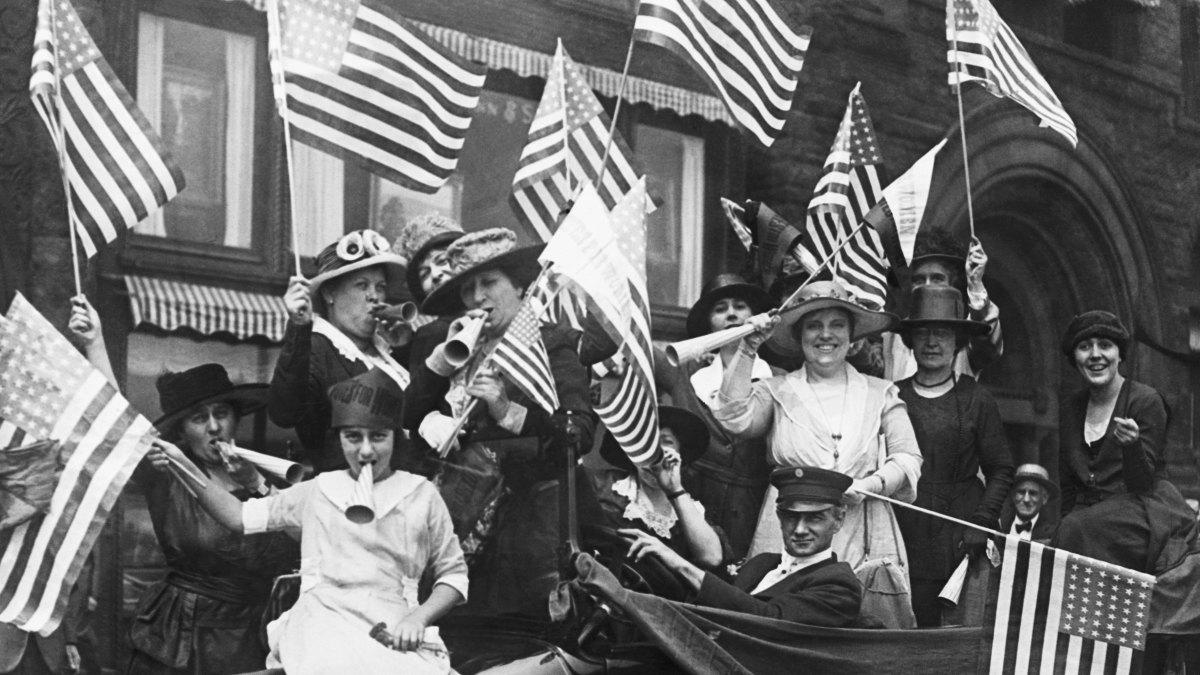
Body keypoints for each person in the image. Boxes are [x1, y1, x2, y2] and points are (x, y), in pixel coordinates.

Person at [147, 368, 468, 674]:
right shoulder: (319, 490)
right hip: (323, 631)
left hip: (395, 628)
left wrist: (419, 619)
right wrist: (181, 464)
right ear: (340, 438)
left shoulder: (421, 494)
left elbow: (453, 575)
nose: (366, 450)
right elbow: (238, 516)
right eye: (353, 437)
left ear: (395, 437)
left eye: (379, 437)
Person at [66, 299, 299, 674]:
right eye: (199, 418)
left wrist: (257, 485)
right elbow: (119, 425)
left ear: (235, 419)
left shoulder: (261, 478)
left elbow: (297, 540)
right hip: (181, 638)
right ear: (182, 433)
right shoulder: (167, 472)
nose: (213, 427)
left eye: (221, 414)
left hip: (253, 635)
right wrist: (94, 342)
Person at [404, 227, 598, 618]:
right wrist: (435, 390)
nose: (477, 298)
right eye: (467, 289)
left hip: (527, 532)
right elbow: (406, 415)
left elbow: (579, 432)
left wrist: (508, 411)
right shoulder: (457, 344)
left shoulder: (553, 342)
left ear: (520, 286)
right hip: (456, 520)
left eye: (489, 282)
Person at [712, 279, 921, 628]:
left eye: (837, 324)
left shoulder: (881, 392)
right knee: (782, 627)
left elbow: (908, 458)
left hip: (862, 524)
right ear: (798, 335)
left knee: (863, 632)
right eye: (814, 326)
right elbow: (734, 417)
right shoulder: (776, 391)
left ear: (852, 335)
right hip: (792, 524)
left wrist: (870, 485)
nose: (826, 335)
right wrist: (748, 349)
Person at [892, 285, 1014, 627]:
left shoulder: (976, 399)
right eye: (923, 333)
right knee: (904, 624)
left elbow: (1002, 469)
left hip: (960, 535)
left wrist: (981, 522)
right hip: (903, 530)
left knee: (952, 631)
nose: (932, 342)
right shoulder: (893, 396)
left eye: (943, 333)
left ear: (958, 340)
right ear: (911, 340)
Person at [621, 466, 862, 626]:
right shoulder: (763, 563)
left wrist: (677, 561)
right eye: (790, 516)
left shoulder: (838, 584)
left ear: (838, 520)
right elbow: (712, 599)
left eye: (814, 518)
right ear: (779, 517)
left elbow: (768, 620)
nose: (799, 529)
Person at [1054, 311, 1196, 573]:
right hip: (1092, 516)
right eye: (1084, 347)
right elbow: (1068, 485)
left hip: (1143, 512)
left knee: (1077, 528)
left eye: (1105, 346)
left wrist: (1132, 447)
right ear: (1075, 359)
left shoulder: (1145, 400)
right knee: (1063, 536)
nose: (1095, 355)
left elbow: (1142, 483)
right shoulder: (1071, 408)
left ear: (1120, 355)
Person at [653, 273, 780, 560]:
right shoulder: (684, 374)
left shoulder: (778, 382)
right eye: (720, 309)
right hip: (694, 505)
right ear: (709, 322)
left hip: (753, 509)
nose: (732, 314)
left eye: (740, 306)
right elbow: (641, 349)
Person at [269, 229, 411, 472]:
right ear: (329, 293)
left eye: (381, 286)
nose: (374, 296)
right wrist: (298, 327)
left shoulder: (387, 350)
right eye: (361, 285)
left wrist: (406, 348)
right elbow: (284, 412)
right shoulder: (317, 348)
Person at [591, 406, 727, 569]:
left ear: (679, 453)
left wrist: (674, 488)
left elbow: (712, 557)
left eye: (666, 443)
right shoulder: (603, 487)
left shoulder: (691, 510)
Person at [883, 230, 1003, 381]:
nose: (927, 287)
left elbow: (989, 345)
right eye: (919, 280)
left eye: (937, 278)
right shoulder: (893, 336)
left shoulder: (963, 332)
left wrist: (975, 283)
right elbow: (868, 362)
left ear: (952, 283)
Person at [999, 464, 1056, 543]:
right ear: (1013, 495)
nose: (1026, 499)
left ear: (1044, 498)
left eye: (1033, 493)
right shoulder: (1000, 525)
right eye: (1021, 492)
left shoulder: (1052, 534)